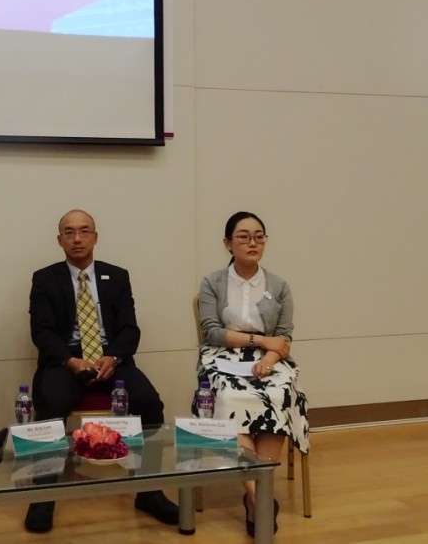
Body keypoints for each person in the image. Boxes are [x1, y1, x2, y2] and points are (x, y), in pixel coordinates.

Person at [24, 209, 179, 533]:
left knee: (149, 403)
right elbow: (42, 331)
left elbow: (129, 329)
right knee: (50, 402)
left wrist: (113, 357)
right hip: (66, 361)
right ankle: (43, 496)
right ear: (59, 240)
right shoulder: (45, 278)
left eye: (84, 231)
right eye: (69, 232)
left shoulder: (116, 276)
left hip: (111, 358)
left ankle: (149, 492)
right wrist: (71, 361)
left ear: (95, 237)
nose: (77, 238)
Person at [197, 211, 309, 537]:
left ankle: (254, 497)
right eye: (243, 237)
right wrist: (260, 341)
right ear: (227, 243)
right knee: (229, 396)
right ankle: (261, 497)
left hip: (270, 358)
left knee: (278, 393)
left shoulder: (279, 285)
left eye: (259, 236)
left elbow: (284, 336)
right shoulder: (212, 282)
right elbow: (212, 332)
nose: (252, 243)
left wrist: (270, 358)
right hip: (221, 356)